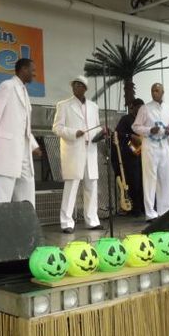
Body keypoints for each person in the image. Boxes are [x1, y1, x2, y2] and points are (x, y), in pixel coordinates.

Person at [0, 58, 41, 205]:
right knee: (3, 194)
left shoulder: (24, 91)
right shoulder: (7, 86)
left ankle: (26, 219)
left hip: (23, 149)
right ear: (23, 69)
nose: (34, 74)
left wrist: (33, 145)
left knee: (27, 187)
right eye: (32, 70)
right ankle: (0, 220)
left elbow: (23, 124)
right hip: (6, 149)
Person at [53, 75, 104, 233]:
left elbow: (96, 126)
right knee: (72, 185)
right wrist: (74, 132)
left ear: (85, 88)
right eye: (75, 85)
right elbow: (57, 128)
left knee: (91, 185)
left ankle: (92, 220)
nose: (76, 87)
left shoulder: (93, 106)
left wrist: (101, 133)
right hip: (74, 149)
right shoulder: (64, 105)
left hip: (90, 149)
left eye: (80, 85)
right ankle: (67, 222)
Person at [132, 83, 169, 222]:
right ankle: (150, 213)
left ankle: (165, 211)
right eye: (152, 90)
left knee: (165, 179)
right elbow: (135, 127)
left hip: (164, 147)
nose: (154, 93)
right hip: (150, 147)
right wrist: (149, 130)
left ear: (163, 92)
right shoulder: (145, 108)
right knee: (150, 180)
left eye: (157, 90)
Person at [112, 98, 144, 216]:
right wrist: (130, 135)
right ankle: (135, 208)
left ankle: (143, 207)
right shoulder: (126, 119)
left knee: (142, 181)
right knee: (133, 181)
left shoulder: (144, 120)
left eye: (142, 108)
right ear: (133, 107)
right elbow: (117, 133)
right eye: (138, 107)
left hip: (143, 154)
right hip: (130, 155)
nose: (140, 110)